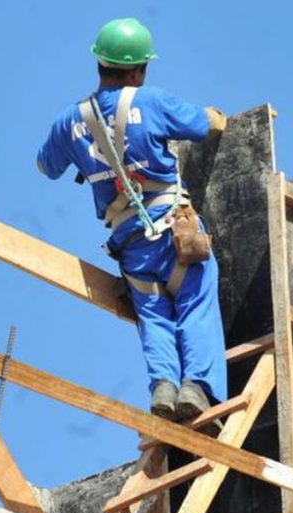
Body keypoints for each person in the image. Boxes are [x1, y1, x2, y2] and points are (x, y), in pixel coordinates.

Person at [36, 18, 228, 428]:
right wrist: (215, 117)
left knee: (154, 314)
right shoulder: (153, 102)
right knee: (195, 303)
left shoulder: (71, 121)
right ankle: (197, 388)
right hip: (174, 230)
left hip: (131, 244)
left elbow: (44, 165)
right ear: (139, 69)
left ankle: (163, 387)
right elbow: (201, 124)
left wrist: (86, 153)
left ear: (99, 64)